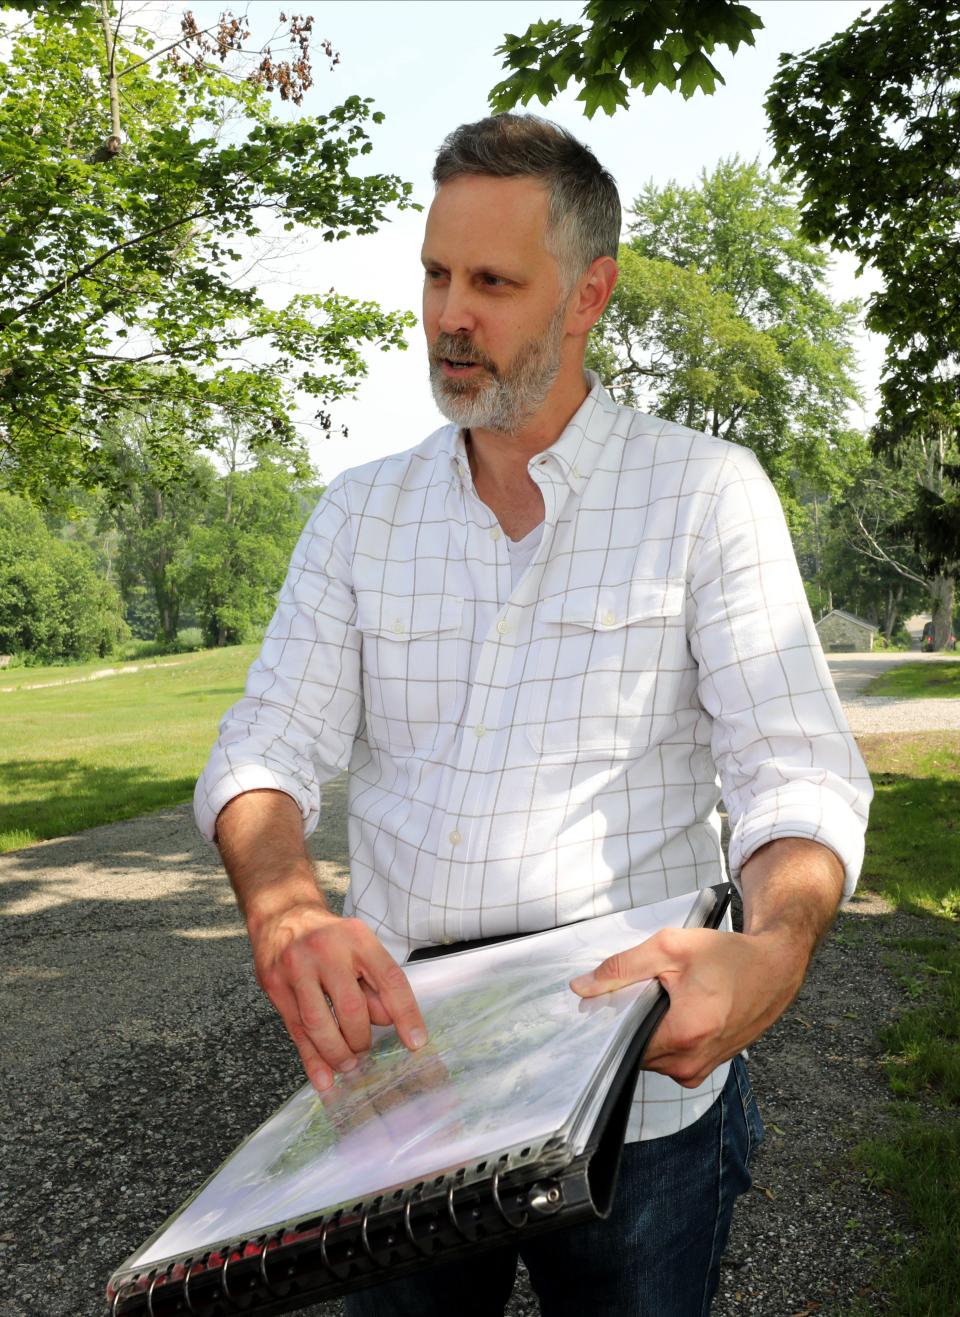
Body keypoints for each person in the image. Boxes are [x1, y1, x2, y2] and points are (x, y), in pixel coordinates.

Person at [194, 114, 872, 1316]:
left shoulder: (706, 494)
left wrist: (774, 952)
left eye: (494, 283)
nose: (451, 314)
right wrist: (287, 908)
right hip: (404, 1088)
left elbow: (796, 774)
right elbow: (265, 745)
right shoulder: (358, 516)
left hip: (646, 1098)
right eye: (436, 273)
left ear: (588, 294)